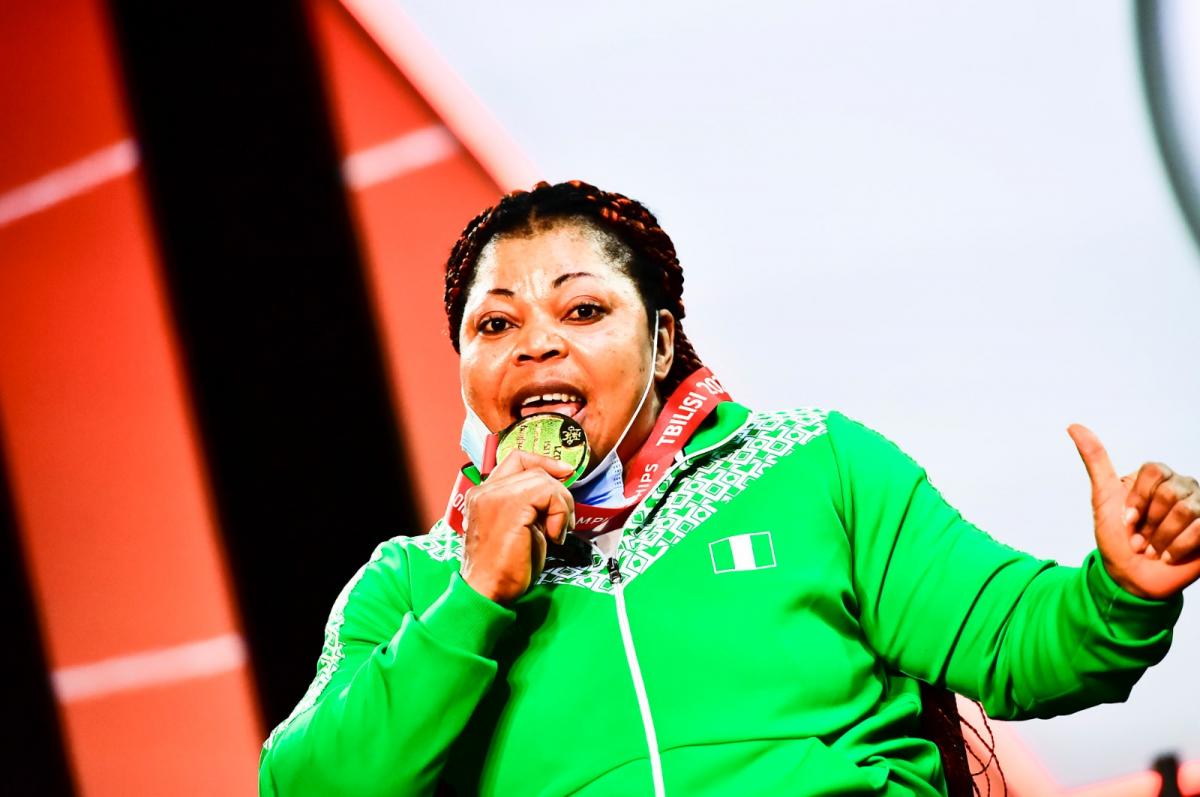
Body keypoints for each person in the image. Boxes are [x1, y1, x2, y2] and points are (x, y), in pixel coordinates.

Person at [258, 180, 1196, 797]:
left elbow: (1017, 638)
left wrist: (1118, 591)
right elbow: (304, 785)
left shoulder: (816, 465)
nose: (536, 343)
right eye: (493, 324)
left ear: (662, 341)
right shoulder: (411, 584)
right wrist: (476, 600)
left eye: (584, 309)